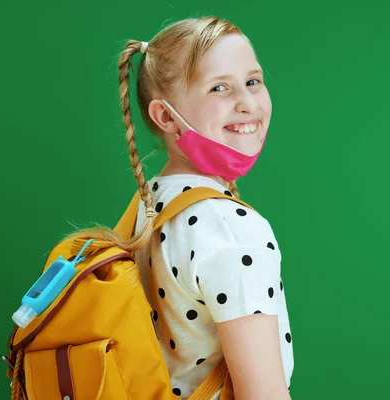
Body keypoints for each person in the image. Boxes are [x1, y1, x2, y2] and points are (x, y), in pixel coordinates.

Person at [72, 15, 294, 400]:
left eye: (253, 81)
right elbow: (263, 393)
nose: (247, 103)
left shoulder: (151, 202)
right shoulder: (231, 227)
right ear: (165, 117)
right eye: (219, 88)